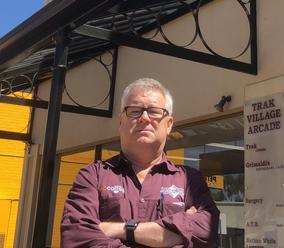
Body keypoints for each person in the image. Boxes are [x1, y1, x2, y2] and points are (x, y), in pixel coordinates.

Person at [61, 78, 220, 247]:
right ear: (121, 122)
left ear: (169, 125)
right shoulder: (93, 175)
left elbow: (206, 231)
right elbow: (77, 237)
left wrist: (122, 229)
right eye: (135, 111)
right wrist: (175, 235)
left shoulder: (189, 180)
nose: (144, 118)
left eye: (154, 111)